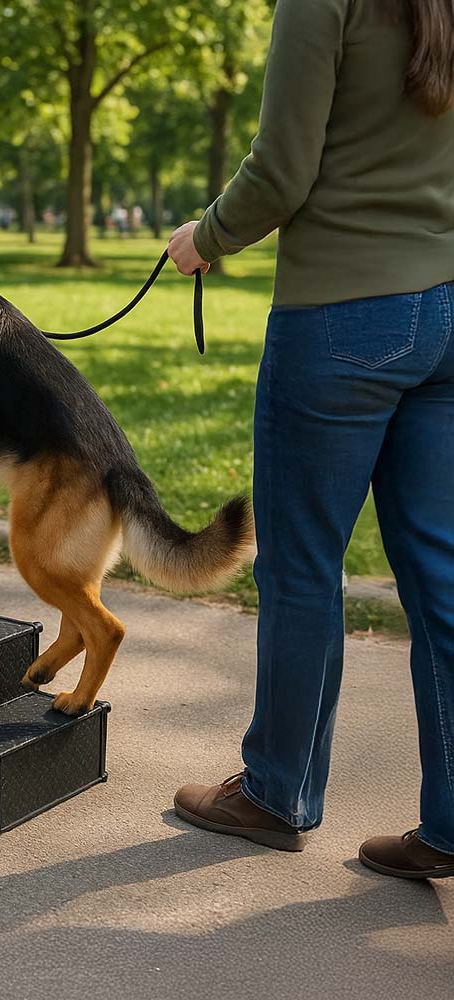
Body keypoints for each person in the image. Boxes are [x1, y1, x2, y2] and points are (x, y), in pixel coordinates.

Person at [167, 0, 454, 879]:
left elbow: (281, 171)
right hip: (447, 311)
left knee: (300, 565)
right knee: (441, 572)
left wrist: (203, 237)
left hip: (341, 317)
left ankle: (275, 792)